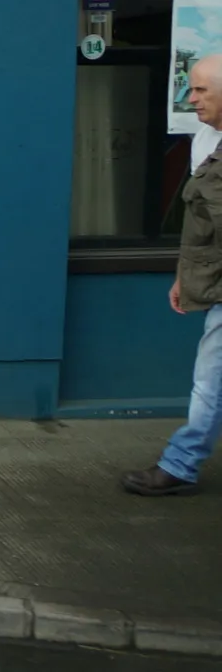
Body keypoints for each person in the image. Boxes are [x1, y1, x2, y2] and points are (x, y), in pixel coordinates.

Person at [122, 51, 222, 496]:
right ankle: (180, 464)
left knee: (211, 377)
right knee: (211, 375)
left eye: (201, 90)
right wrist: (186, 276)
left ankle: (179, 464)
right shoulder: (205, 140)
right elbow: (199, 227)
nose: (191, 99)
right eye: (190, 87)